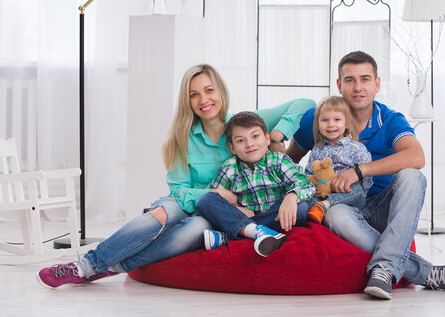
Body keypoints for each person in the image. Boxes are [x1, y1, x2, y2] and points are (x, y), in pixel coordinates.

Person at [36, 64, 315, 289]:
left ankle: (112, 266)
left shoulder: (245, 123)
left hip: (217, 213)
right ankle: (83, 265)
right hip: (187, 200)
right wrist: (216, 195)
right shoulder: (182, 137)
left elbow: (305, 103)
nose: (204, 100)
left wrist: (278, 135)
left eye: (209, 90)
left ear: (220, 91)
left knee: (193, 231)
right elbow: (178, 189)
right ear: (188, 100)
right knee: (159, 215)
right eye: (194, 94)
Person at [287, 51, 445, 300]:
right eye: (349, 80)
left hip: (381, 207)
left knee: (413, 177)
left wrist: (358, 171)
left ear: (377, 84)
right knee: (335, 213)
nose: (358, 87)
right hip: (341, 207)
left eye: (365, 79)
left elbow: (417, 157)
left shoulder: (389, 119)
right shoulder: (321, 118)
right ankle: (417, 272)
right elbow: (289, 161)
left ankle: (385, 267)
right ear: (339, 85)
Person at [198, 111, 315, 257]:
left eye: (255, 136)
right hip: (245, 216)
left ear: (267, 139)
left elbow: (306, 185)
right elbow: (216, 196)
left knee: (302, 208)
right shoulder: (230, 167)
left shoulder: (278, 160)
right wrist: (236, 208)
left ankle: (232, 234)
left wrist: (291, 196)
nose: (250, 144)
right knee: (206, 200)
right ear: (232, 148)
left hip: (277, 216)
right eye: (241, 140)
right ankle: (254, 231)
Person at [304, 95, 372, 224]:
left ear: (346, 123)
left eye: (337, 119)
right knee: (308, 200)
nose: (331, 125)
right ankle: (319, 212)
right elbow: (309, 174)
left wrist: (353, 184)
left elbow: (367, 177)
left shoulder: (356, 148)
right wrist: (314, 188)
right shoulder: (317, 150)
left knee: (358, 192)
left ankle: (326, 204)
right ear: (318, 123)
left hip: (348, 195)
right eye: (325, 120)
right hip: (323, 193)